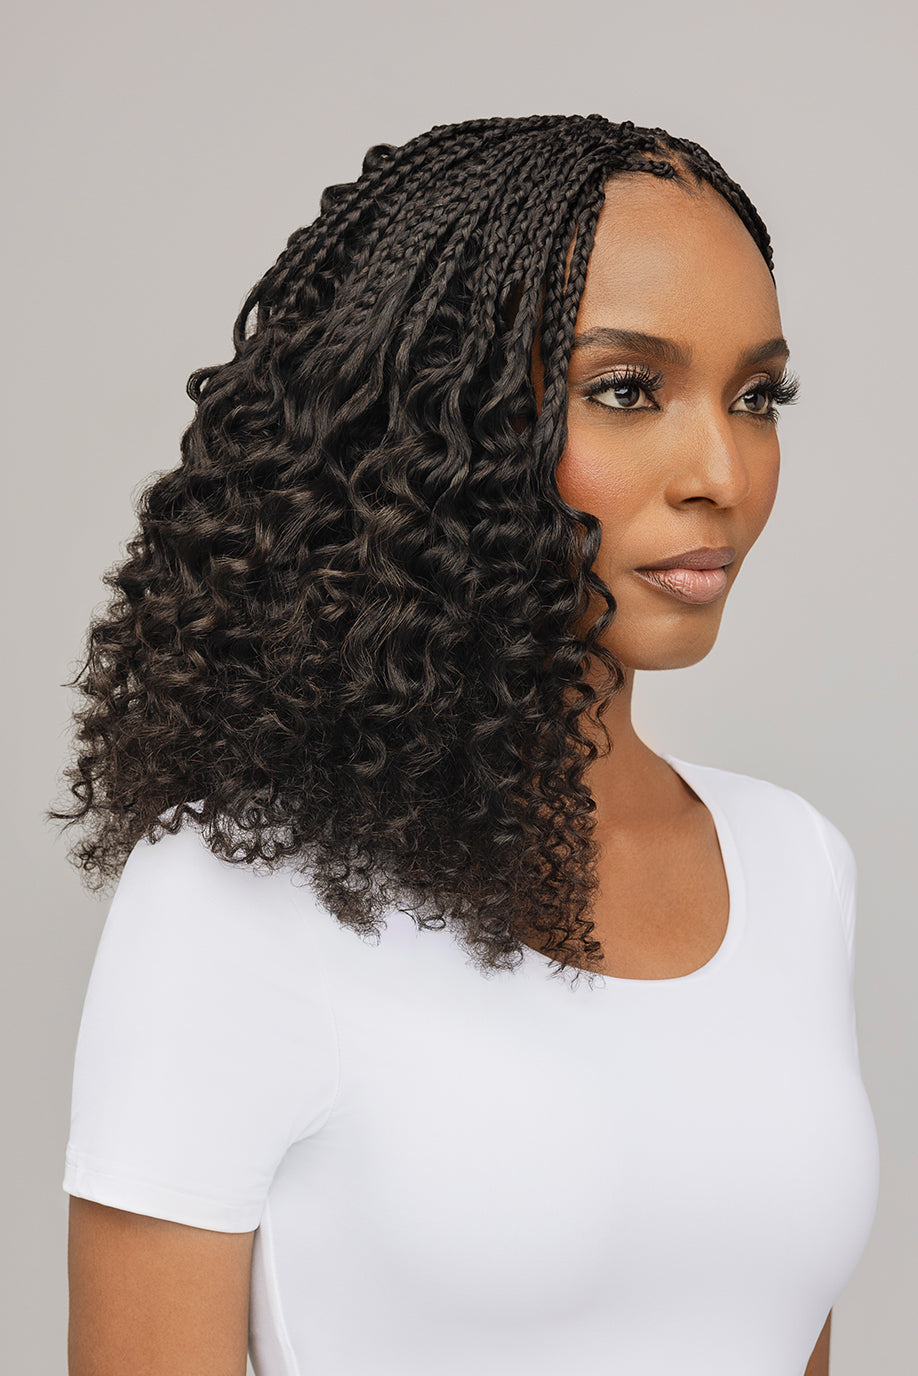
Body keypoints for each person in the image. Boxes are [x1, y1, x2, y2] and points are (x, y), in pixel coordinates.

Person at [53, 114, 879, 1376]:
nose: (722, 469)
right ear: (436, 420)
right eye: (626, 390)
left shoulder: (796, 865)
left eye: (757, 396)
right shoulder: (235, 898)